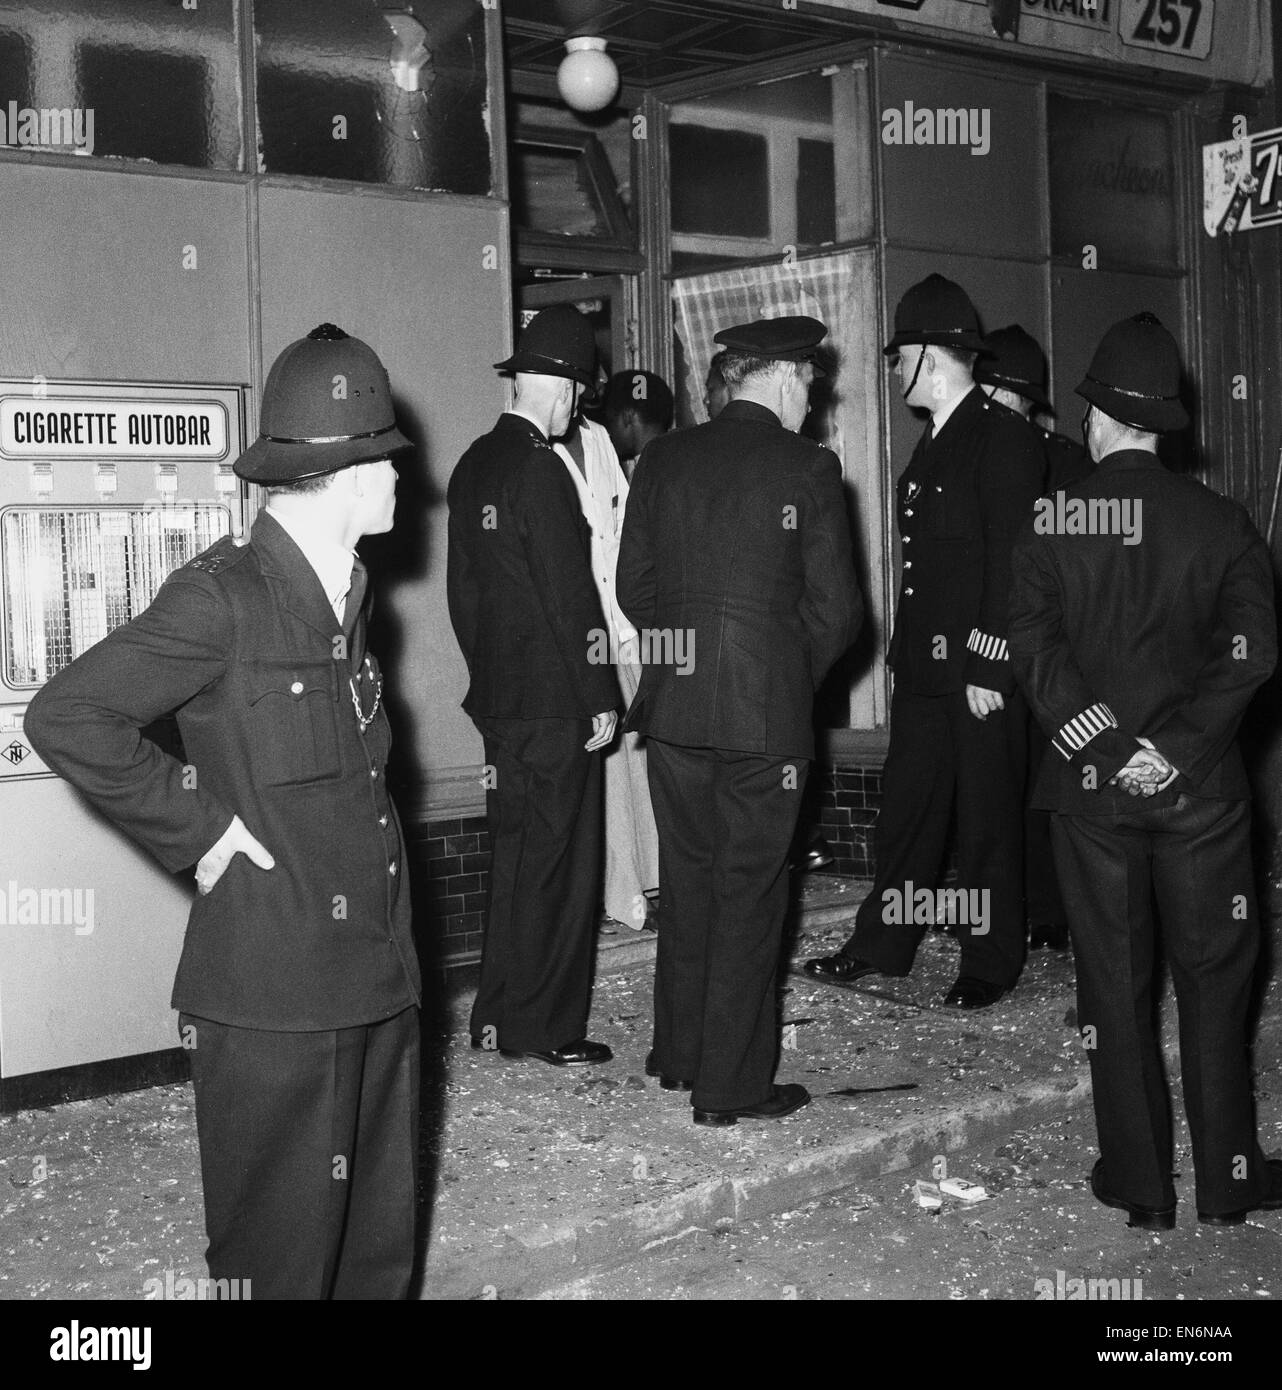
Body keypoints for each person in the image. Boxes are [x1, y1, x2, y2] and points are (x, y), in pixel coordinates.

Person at [25, 324, 422, 1299]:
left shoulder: (350, 595)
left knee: (374, 1258)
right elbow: (67, 713)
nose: (403, 480)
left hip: (375, 980)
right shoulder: (227, 600)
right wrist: (201, 832)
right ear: (353, 472)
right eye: (389, 460)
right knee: (278, 1268)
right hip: (273, 1002)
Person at [1009, 312, 1282, 1229]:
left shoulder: (1053, 519)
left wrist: (1109, 750)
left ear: (1095, 421)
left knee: (1113, 988)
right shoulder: (1222, 522)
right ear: (1164, 427)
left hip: (1092, 799)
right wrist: (1179, 750)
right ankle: (1229, 1182)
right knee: (1217, 984)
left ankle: (1140, 1186)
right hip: (1201, 797)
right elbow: (1251, 654)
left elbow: (1037, 656)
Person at [618, 315, 863, 1125]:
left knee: (689, 886)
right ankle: (733, 1086)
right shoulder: (808, 468)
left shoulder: (663, 458)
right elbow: (837, 613)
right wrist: (784, 680)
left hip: (676, 714)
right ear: (786, 380)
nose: (813, 402)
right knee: (753, 894)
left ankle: (681, 1054)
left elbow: (634, 590)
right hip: (765, 725)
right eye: (811, 387)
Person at [804, 275, 1044, 1009]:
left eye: (899, 355)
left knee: (986, 821)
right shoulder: (936, 442)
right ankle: (886, 943)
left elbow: (1015, 560)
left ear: (927, 357)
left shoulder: (1004, 439)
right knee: (909, 812)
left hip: (977, 671)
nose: (893, 368)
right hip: (926, 671)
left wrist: (988, 663)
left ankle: (990, 959)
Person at [447, 304, 619, 1068]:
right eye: (577, 391)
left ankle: (497, 1017)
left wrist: (490, 678)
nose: (577, 407)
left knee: (513, 864)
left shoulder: (473, 464)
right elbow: (570, 598)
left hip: (501, 705)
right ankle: (549, 1029)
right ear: (562, 388)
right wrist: (601, 696)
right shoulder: (543, 470)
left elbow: (464, 600)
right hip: (557, 707)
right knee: (564, 870)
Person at [975, 323, 1094, 951]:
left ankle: (1048, 912)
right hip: (1024, 653)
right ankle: (1040, 913)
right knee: (1025, 789)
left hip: (1048, 652)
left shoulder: (1061, 462)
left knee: (1044, 786)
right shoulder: (1066, 460)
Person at [554, 381, 659, 933]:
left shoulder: (599, 442)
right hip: (575, 642)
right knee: (605, 775)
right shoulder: (535, 454)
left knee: (635, 762)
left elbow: (622, 536)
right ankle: (620, 897)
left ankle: (647, 887)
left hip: (622, 630)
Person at [602, 369, 674, 478]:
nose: (608, 431)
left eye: (610, 421)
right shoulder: (674, 462)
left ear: (627, 417)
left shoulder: (648, 474)